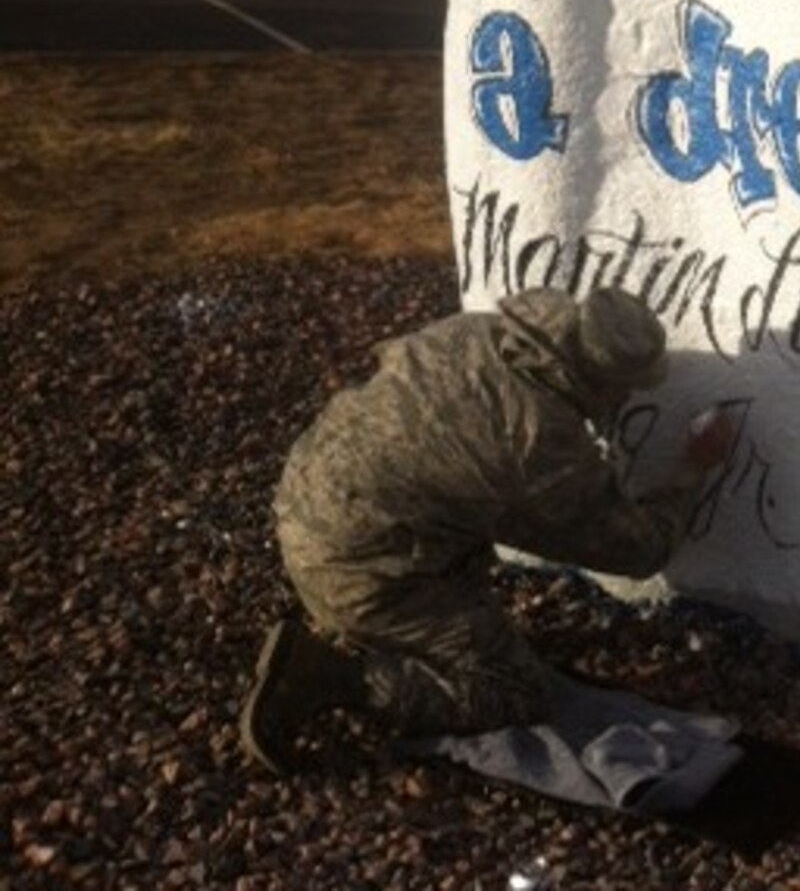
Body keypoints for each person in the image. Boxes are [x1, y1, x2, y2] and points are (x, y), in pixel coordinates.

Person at [240, 286, 736, 774]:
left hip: (304, 501)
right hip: (357, 575)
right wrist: (692, 469)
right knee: (516, 693)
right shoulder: (537, 446)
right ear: (601, 379)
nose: (628, 398)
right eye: (626, 388)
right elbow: (638, 551)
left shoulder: (478, 333)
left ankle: (381, 626)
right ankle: (330, 679)